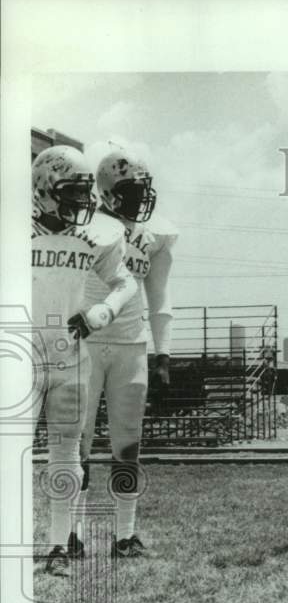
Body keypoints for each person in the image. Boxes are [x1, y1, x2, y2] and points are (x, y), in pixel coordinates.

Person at [31, 145, 137, 576]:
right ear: (43, 189)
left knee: (66, 450)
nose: (80, 202)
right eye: (70, 192)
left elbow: (124, 281)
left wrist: (102, 312)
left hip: (70, 352)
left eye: (83, 193)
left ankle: (58, 545)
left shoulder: (98, 234)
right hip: (21, 350)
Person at [75, 148, 177, 558]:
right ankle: (71, 534)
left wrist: (164, 353)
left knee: (128, 445)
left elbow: (161, 296)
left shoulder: (155, 235)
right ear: (109, 191)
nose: (142, 197)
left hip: (132, 344)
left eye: (144, 188)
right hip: (86, 341)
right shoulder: (86, 226)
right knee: (76, 444)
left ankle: (125, 534)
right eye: (133, 189)